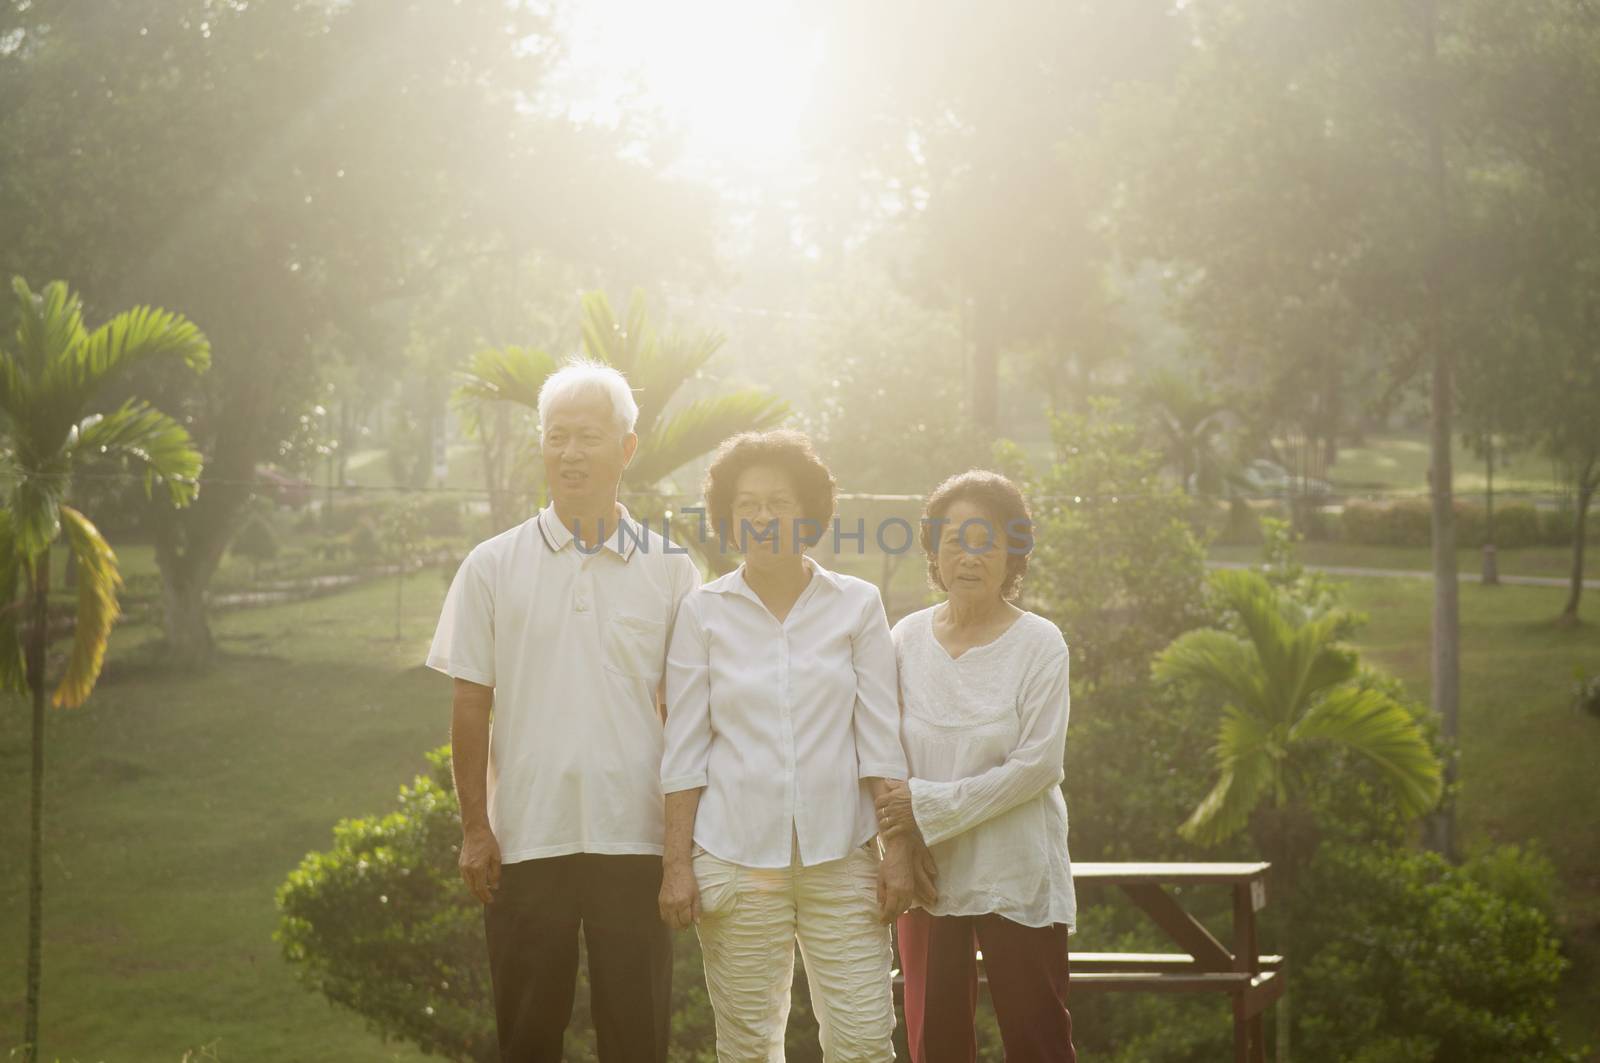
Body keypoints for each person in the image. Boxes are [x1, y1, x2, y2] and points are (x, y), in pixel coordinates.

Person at [426, 358, 700, 1063]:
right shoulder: (491, 565)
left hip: (634, 839)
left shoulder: (670, 569)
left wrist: (679, 853)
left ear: (627, 447)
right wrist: (475, 829)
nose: (569, 452)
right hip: (526, 839)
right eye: (556, 436)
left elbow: (691, 717)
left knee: (638, 1040)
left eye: (588, 436)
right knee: (525, 1038)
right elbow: (469, 704)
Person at [657, 429, 927, 1063]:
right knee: (748, 1047)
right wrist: (676, 865)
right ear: (727, 517)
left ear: (808, 512)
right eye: (747, 503)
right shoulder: (702, 612)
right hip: (735, 855)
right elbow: (684, 750)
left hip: (843, 855)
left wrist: (898, 851)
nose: (762, 516)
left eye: (778, 501)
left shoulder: (857, 605)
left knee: (862, 1043)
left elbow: (881, 741)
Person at [874, 470, 1077, 1063]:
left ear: (1014, 553)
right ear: (934, 551)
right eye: (956, 538)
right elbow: (882, 747)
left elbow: (1037, 766)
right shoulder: (905, 638)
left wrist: (926, 808)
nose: (971, 555)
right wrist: (902, 846)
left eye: (988, 539)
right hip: (929, 873)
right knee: (934, 1046)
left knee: (1038, 1040)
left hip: (1015, 870)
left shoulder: (1040, 644)